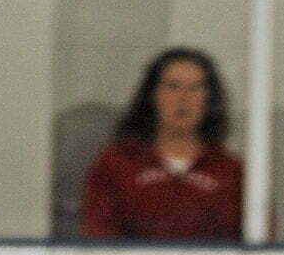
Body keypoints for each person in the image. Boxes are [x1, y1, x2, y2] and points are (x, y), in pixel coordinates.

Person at [79, 48, 244, 241]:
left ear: (209, 100)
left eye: (195, 88)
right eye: (173, 86)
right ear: (152, 95)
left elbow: (256, 243)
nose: (184, 98)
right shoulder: (118, 163)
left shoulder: (230, 170)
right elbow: (98, 235)